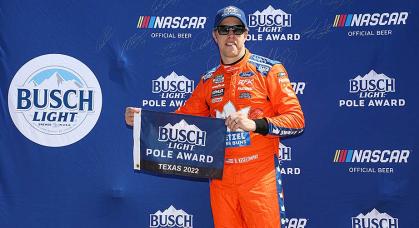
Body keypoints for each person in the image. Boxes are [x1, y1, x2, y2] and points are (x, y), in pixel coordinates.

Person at [125, 5, 305, 228]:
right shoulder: (208, 80)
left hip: (259, 176)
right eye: (224, 29)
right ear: (215, 35)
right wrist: (144, 120)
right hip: (221, 178)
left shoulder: (269, 70)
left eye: (237, 29)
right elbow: (182, 119)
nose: (231, 35)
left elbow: (296, 120)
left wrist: (254, 124)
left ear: (246, 34)